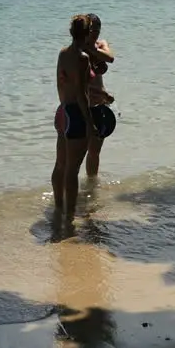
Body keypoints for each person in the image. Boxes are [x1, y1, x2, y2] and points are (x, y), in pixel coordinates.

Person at [53, 15, 99, 219]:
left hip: (63, 110)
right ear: (88, 33)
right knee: (73, 169)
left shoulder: (63, 54)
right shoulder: (83, 58)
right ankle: (69, 217)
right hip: (76, 114)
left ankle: (58, 208)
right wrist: (90, 123)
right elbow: (82, 93)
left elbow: (63, 84)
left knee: (60, 164)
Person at [83, 13, 115, 178]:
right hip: (82, 104)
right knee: (78, 151)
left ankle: (91, 185)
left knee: (94, 152)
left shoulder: (100, 45)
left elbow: (110, 58)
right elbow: (79, 83)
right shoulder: (77, 51)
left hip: (99, 104)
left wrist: (92, 48)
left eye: (97, 29)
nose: (94, 33)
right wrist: (103, 93)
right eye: (91, 29)